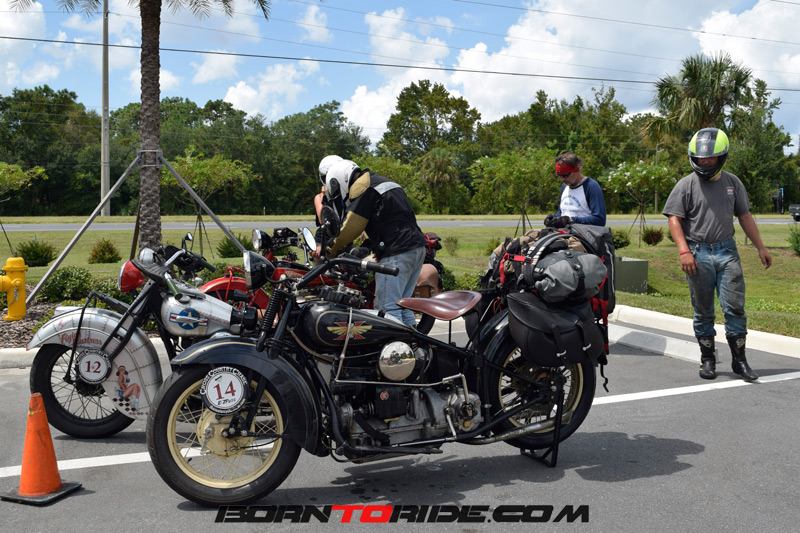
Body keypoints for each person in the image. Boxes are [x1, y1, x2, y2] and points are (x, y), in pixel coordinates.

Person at [662, 127, 772, 381]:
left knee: (735, 308)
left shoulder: (733, 183)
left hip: (727, 252)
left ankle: (740, 361)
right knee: (703, 311)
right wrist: (684, 251)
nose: (705, 162)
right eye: (700, 158)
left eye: (710, 158)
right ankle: (708, 360)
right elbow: (674, 219)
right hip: (696, 253)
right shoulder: (686, 184)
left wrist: (761, 247)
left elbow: (744, 216)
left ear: (721, 157)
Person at [316, 159, 426, 327]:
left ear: (339, 179)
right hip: (416, 248)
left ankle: (397, 344)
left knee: (387, 309)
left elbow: (351, 226)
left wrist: (329, 249)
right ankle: (416, 342)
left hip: (396, 252)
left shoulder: (362, 187)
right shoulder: (379, 181)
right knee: (403, 306)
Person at [544, 153, 607, 228]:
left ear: (577, 169)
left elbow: (600, 220)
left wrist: (570, 220)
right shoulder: (565, 186)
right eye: (559, 175)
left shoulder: (591, 186)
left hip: (583, 233)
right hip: (565, 232)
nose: (562, 179)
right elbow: (562, 212)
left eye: (565, 175)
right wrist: (554, 219)